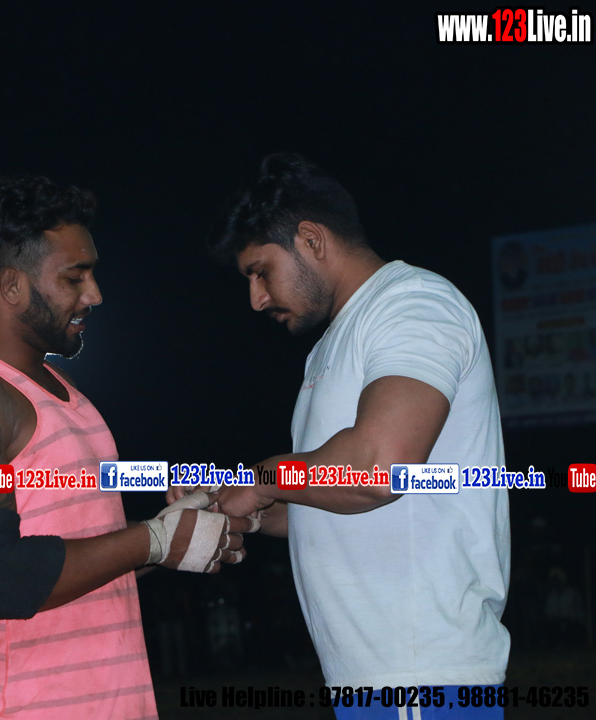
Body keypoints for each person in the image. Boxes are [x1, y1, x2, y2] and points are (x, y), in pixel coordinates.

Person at [0, 175, 252, 719]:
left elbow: (84, 556)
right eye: (75, 277)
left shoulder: (62, 389)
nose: (95, 294)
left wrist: (172, 534)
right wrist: (151, 541)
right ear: (12, 286)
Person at [184, 153, 510, 718]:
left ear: (311, 240)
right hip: (378, 682)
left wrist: (261, 480)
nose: (256, 299)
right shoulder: (332, 346)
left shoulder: (414, 303)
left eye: (261, 271)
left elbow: (381, 468)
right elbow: (331, 498)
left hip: (422, 679)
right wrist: (237, 507)